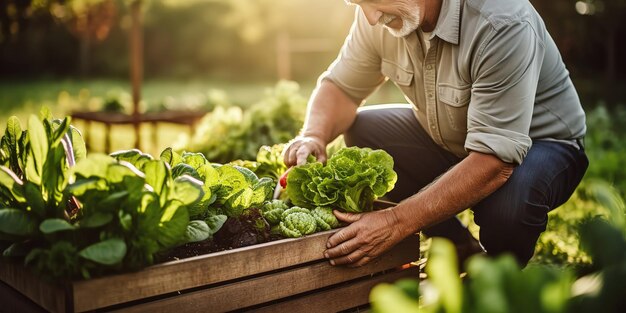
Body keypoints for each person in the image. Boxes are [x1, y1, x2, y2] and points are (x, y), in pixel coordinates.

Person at [282, 0, 588, 268]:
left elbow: (495, 161)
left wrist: (395, 222)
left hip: (543, 145)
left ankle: (497, 274)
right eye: (358, 4)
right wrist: (314, 135)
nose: (371, 17)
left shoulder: (502, 22)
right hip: (453, 139)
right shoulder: (377, 17)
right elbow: (342, 89)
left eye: (374, 2)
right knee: (365, 130)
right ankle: (457, 247)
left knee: (508, 207)